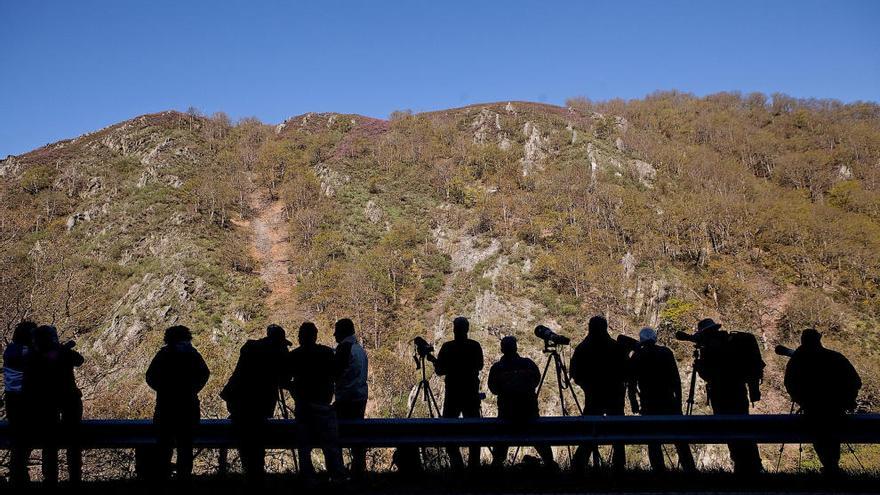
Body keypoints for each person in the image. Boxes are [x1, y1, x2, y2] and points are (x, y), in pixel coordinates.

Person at [784, 328, 861, 476]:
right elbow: (855, 381)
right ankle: (832, 467)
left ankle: (829, 467)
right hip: (835, 408)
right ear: (819, 339)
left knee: (820, 438)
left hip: (812, 409)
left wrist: (802, 402)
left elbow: (790, 384)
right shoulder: (835, 357)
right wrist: (847, 400)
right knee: (832, 437)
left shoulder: (798, 361)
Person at [220, 324, 290, 483]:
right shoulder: (275, 353)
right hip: (258, 404)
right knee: (256, 442)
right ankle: (255, 476)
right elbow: (284, 379)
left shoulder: (251, 348)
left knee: (246, 440)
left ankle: (250, 474)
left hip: (237, 400)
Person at [694, 318, 764, 475]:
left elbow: (710, 375)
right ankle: (754, 466)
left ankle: (740, 466)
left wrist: (699, 367)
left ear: (704, 333)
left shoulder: (710, 348)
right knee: (743, 428)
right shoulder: (731, 342)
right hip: (739, 392)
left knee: (729, 431)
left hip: (721, 395)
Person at [627, 327, 696, 473]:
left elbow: (631, 384)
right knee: (680, 439)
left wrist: (634, 402)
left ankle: (659, 471)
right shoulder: (666, 353)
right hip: (668, 401)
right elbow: (676, 381)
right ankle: (689, 469)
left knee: (653, 440)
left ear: (641, 340)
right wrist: (678, 404)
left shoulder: (637, 356)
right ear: (655, 338)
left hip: (648, 403)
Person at [145, 325, 210, 481]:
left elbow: (150, 376)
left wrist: (163, 390)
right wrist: (193, 390)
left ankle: (162, 478)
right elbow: (204, 374)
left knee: (164, 446)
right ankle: (184, 478)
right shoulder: (193, 355)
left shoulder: (163, 354)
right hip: (189, 407)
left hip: (165, 406)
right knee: (185, 447)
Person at [22, 324, 84, 486]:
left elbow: (28, 382)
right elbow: (79, 360)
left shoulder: (33, 357)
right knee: (71, 443)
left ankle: (50, 479)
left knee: (50, 444)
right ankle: (75, 478)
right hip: (69, 401)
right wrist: (62, 351)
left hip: (47, 403)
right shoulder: (57, 354)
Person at [287, 322, 347, 482]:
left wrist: (294, 390)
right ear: (315, 336)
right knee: (331, 447)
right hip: (323, 406)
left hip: (303, 407)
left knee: (304, 448)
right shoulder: (327, 353)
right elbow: (337, 373)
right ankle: (337, 478)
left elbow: (283, 379)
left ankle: (308, 479)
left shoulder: (295, 355)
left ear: (300, 337)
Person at [488, 336, 557, 470]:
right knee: (538, 436)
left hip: (506, 414)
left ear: (502, 349)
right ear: (516, 347)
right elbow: (536, 381)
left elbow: (493, 389)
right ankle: (549, 463)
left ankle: (497, 465)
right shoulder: (528, 364)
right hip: (529, 413)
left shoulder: (497, 368)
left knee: (501, 439)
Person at [570, 315, 627, 472]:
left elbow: (575, 374)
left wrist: (587, 386)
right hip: (614, 394)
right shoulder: (616, 347)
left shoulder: (583, 348)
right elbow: (625, 371)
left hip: (593, 395)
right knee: (617, 431)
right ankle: (619, 466)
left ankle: (579, 464)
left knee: (590, 430)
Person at [427, 316, 484, 471]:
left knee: (448, 430)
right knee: (474, 432)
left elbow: (440, 371)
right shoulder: (475, 346)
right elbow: (479, 365)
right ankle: (474, 466)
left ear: (454, 329)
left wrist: (433, 361)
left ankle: (457, 464)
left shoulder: (448, 347)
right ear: (467, 329)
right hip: (471, 393)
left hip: (453, 394)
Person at [332, 318, 369, 476]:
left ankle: (340, 470)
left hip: (346, 399)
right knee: (357, 434)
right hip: (360, 397)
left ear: (342, 332)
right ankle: (359, 467)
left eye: (336, 331)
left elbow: (335, 373)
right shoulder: (359, 349)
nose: (334, 334)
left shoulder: (344, 348)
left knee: (336, 434)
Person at [4, 321, 36, 485]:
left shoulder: (9, 350)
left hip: (11, 400)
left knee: (18, 443)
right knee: (23, 444)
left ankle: (17, 477)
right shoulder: (26, 352)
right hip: (24, 401)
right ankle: (20, 478)